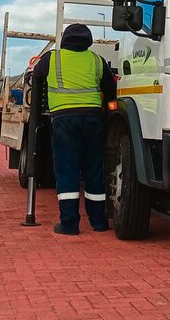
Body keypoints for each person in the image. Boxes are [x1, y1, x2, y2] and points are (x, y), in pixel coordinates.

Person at [30, 23, 117, 235]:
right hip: (94, 119)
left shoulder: (53, 58)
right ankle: (98, 222)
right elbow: (110, 88)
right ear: (88, 41)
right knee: (94, 170)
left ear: (65, 40)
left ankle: (69, 224)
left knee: (67, 170)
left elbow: (37, 76)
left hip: (64, 119)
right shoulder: (97, 60)